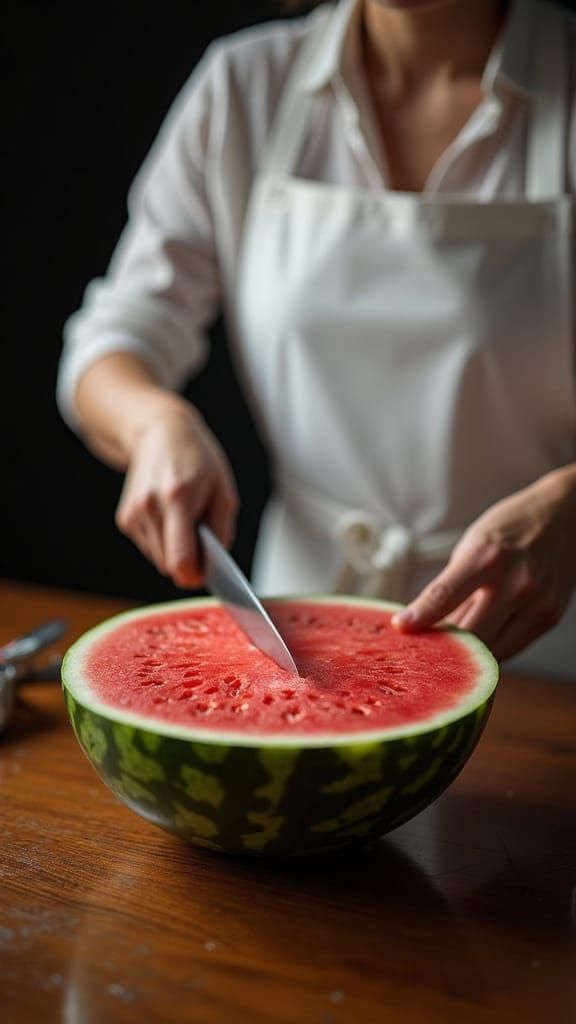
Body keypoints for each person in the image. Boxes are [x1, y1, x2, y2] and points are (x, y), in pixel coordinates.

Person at [57, 0, 576, 679]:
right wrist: (155, 422)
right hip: (293, 629)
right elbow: (115, 336)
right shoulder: (245, 86)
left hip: (540, 640)